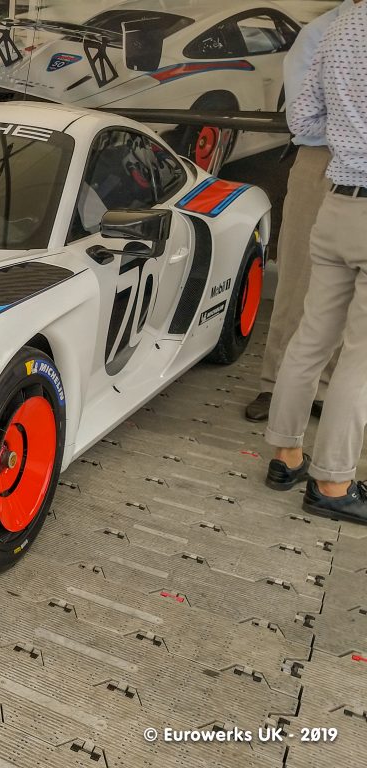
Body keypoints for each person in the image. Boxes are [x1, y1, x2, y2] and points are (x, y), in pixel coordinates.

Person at [264, 0, 367, 524]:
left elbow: (302, 116)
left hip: (338, 198)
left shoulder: (339, 25)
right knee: (361, 355)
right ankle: (333, 482)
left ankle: (285, 459)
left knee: (311, 336)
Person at [244, 0, 354, 422]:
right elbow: (301, 120)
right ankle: (276, 385)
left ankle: (324, 388)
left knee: (352, 288)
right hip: (322, 160)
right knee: (298, 277)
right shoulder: (325, 31)